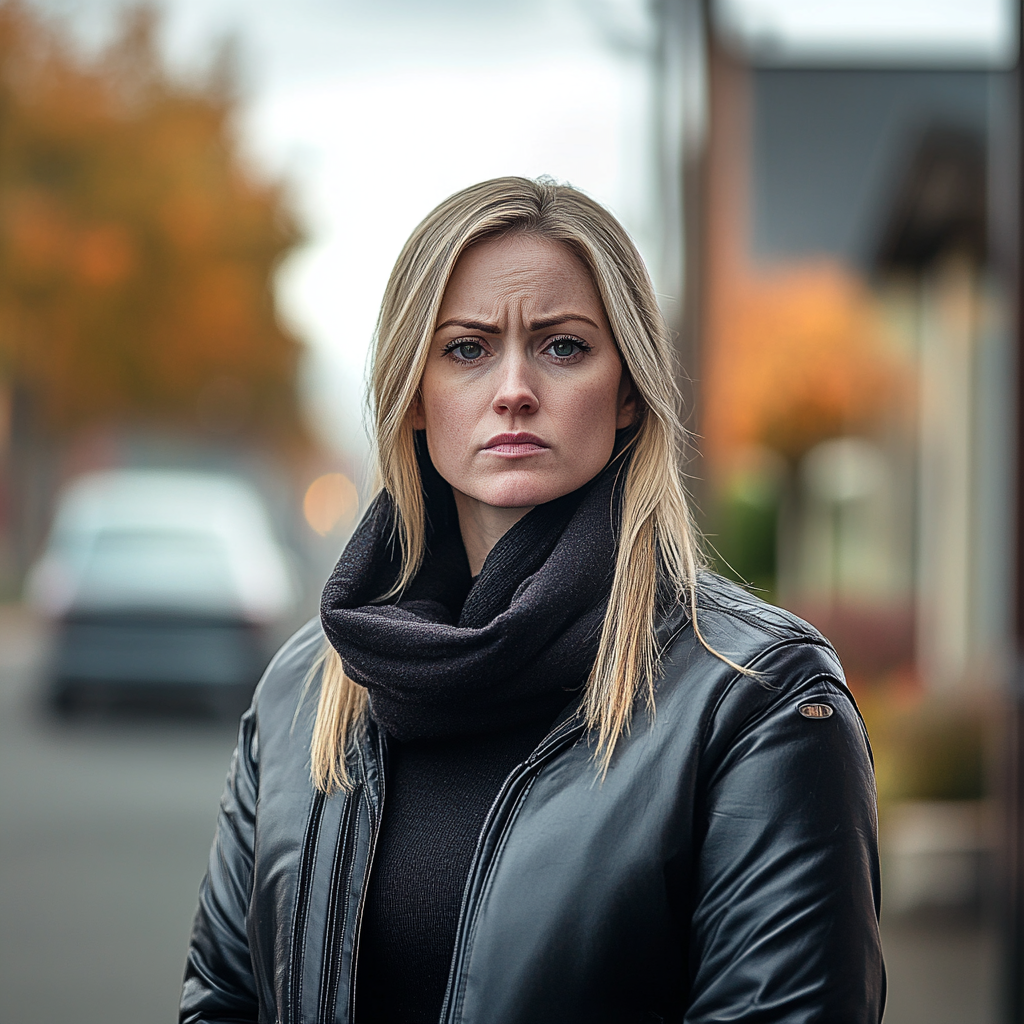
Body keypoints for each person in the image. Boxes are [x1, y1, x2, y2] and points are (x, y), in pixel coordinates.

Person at [180, 176, 884, 1024]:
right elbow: (223, 1000)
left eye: (562, 347)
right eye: (468, 349)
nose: (513, 388)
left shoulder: (756, 699)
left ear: (628, 391)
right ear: (414, 396)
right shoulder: (305, 690)